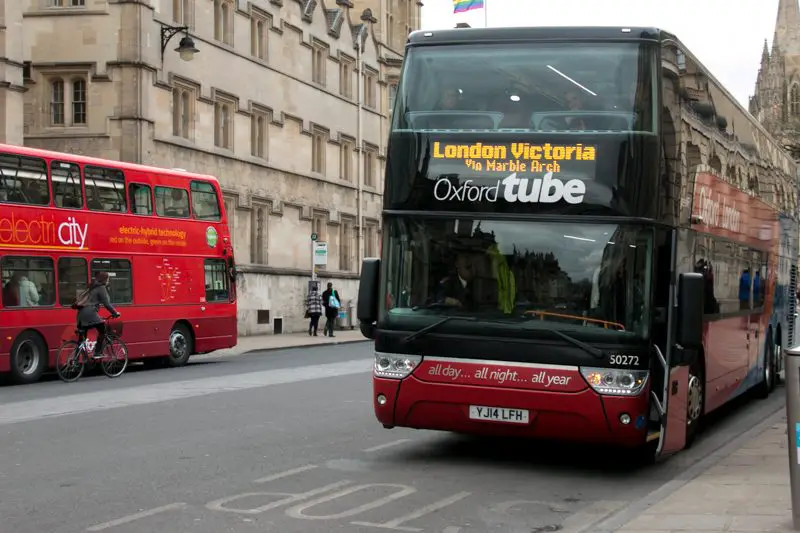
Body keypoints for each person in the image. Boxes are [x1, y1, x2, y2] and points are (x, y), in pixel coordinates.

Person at [74, 271, 120, 358]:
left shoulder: (92, 287)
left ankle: (75, 360)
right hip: (90, 313)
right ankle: (97, 352)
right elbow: (106, 304)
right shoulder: (101, 288)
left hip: (80, 314)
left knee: (81, 340)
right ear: (104, 279)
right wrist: (115, 313)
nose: (108, 281)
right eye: (107, 279)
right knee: (102, 329)